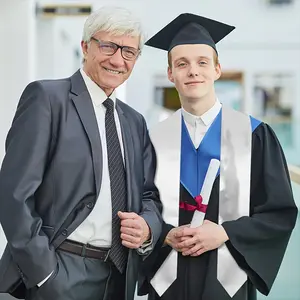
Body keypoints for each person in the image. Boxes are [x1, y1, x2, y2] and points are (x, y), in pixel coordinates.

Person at [0, 6, 162, 300]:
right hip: (59, 271)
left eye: (129, 52)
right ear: (85, 46)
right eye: (108, 46)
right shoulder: (48, 100)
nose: (117, 59)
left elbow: (149, 194)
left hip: (118, 276)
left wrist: (147, 228)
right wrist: (44, 273)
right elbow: (14, 195)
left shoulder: (134, 121)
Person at [138, 13, 298, 300]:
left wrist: (225, 233)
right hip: (168, 280)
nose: (193, 71)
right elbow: (139, 205)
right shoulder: (152, 140)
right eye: (182, 64)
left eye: (202, 62)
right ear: (170, 74)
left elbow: (279, 213)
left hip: (228, 280)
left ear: (217, 69)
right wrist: (164, 234)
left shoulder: (255, 135)